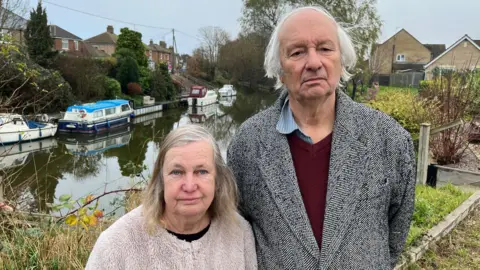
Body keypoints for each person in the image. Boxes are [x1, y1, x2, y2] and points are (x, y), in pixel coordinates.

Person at [227, 5, 416, 270]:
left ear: (342, 59)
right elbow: (238, 230)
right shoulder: (246, 145)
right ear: (279, 68)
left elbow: (395, 235)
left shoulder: (390, 140)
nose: (314, 63)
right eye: (297, 52)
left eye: (325, 49)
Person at [86, 124, 257, 269]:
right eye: (177, 172)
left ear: (218, 179)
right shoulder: (116, 244)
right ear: (160, 179)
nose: (189, 186)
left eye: (202, 171)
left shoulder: (239, 232)